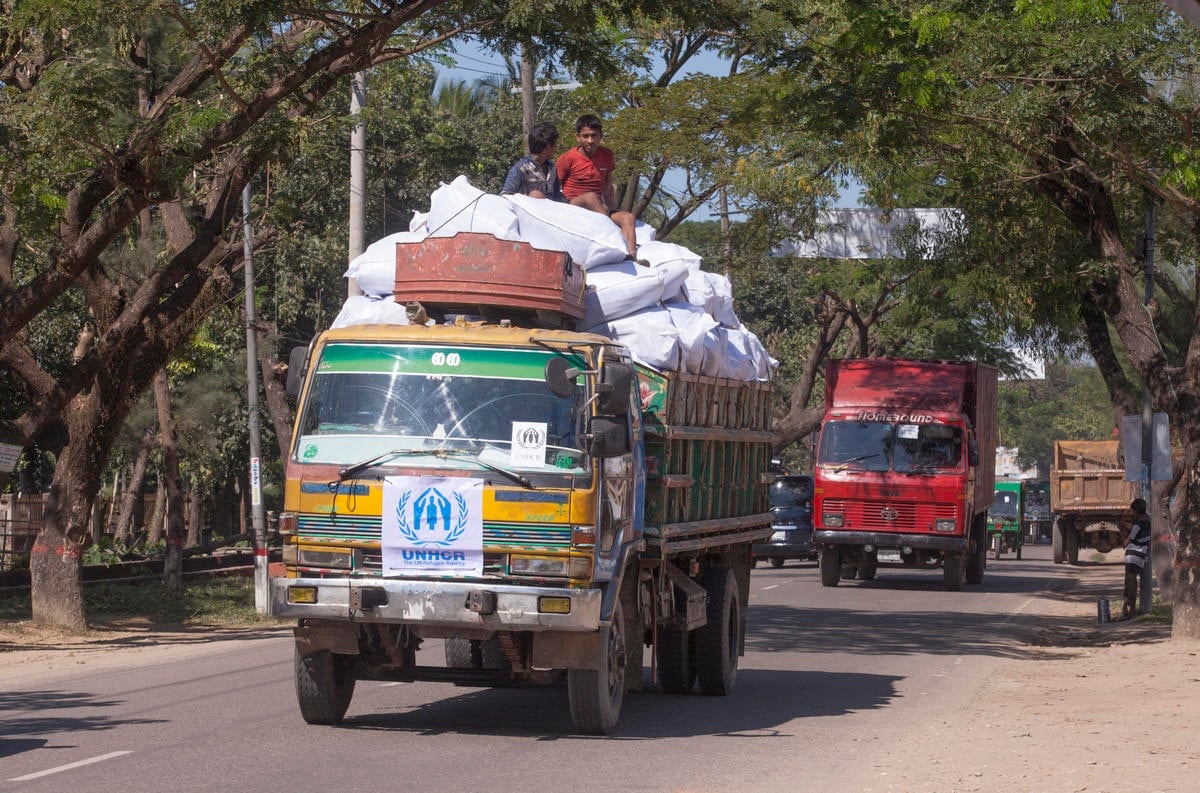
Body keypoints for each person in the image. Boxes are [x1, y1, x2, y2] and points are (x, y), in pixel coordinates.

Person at [555, 114, 643, 262]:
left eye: (594, 136)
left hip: (598, 208)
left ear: (600, 136)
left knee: (628, 217)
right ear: (578, 137)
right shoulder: (567, 158)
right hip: (573, 205)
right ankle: (613, 236)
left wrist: (612, 209)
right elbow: (555, 187)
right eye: (586, 136)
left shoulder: (607, 155)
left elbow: (608, 186)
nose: (590, 140)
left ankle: (630, 256)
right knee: (590, 197)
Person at [501, 121, 566, 201]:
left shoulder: (552, 168)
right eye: (555, 146)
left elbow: (557, 194)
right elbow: (505, 197)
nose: (556, 149)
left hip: (551, 208)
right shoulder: (520, 169)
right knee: (536, 195)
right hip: (528, 208)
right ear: (547, 148)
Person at [1122, 497, 1151, 618]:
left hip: (1132, 557)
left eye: (1133, 511)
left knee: (1130, 583)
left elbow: (1127, 542)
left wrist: (1123, 537)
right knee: (1132, 583)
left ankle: (1131, 609)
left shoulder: (1137, 525)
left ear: (1136, 511)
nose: (1132, 514)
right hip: (1141, 557)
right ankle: (1128, 607)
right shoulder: (1149, 522)